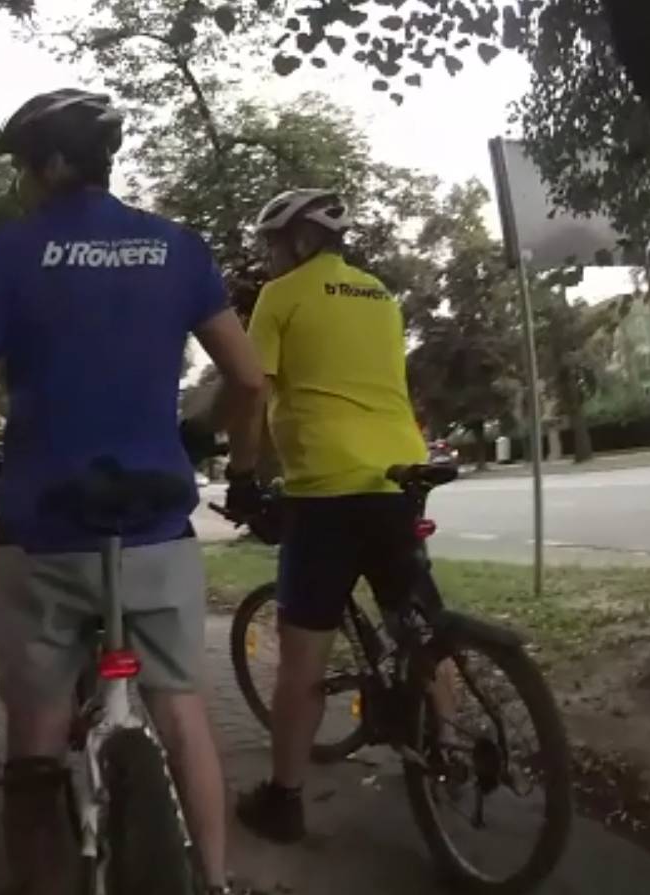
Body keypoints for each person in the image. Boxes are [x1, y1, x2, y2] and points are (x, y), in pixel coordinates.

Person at [0, 88, 266, 895]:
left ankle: (39, 877)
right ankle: (214, 879)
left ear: (51, 164)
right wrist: (199, 437)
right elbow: (249, 380)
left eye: (24, 166)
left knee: (36, 726)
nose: (21, 182)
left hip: (43, 526)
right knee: (180, 706)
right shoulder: (177, 247)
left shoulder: (6, 252)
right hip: (154, 522)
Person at [225, 189, 430, 843]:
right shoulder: (380, 294)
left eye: (272, 243)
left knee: (302, 660)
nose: (267, 256)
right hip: (399, 473)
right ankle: (443, 757)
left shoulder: (281, 296)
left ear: (301, 241)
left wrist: (241, 475)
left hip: (326, 489)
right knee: (420, 628)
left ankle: (283, 799)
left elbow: (251, 390)